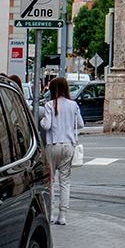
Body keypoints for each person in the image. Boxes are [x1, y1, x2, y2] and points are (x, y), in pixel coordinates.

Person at [40, 77, 84, 226]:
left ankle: (50, 213)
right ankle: (62, 215)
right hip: (68, 145)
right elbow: (80, 125)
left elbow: (47, 126)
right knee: (65, 181)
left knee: (51, 181)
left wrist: (41, 121)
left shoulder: (49, 105)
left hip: (52, 144)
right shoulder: (73, 105)